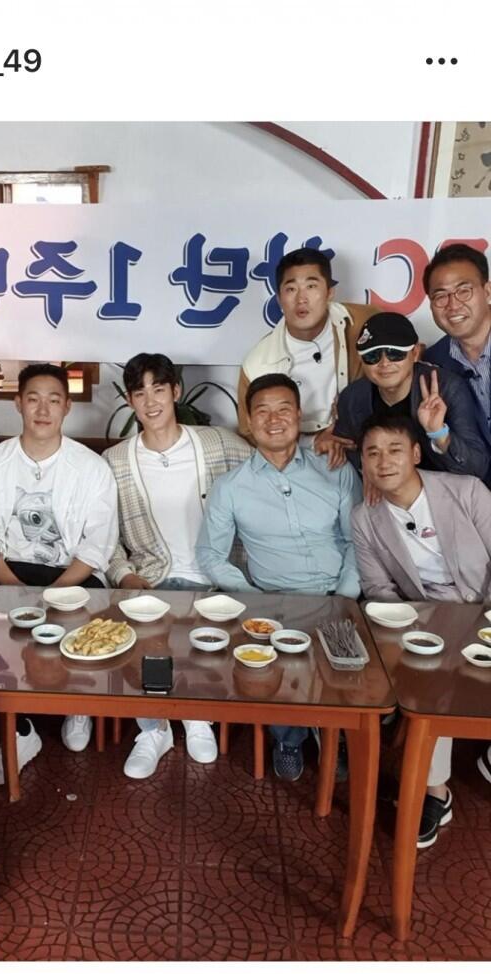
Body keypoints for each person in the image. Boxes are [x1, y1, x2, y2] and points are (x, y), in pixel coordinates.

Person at [197, 373, 361, 780]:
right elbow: (211, 554)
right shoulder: (230, 487)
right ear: (248, 421)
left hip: (337, 594)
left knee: (350, 665)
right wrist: (253, 596)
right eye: (263, 411)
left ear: (299, 415)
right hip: (273, 601)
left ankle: (333, 731)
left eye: (283, 409)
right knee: (271, 663)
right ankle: (289, 737)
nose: (274, 420)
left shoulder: (335, 469)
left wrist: (343, 598)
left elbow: (359, 540)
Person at [103, 352, 251, 778]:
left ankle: (196, 715)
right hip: (152, 580)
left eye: (159, 389)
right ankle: (155, 729)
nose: (150, 401)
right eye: (139, 393)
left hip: (217, 579)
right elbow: (103, 539)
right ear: (129, 401)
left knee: (203, 628)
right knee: (148, 628)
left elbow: (266, 474)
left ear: (176, 391)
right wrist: (124, 575)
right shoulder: (115, 462)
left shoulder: (219, 444)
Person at [0, 363, 118, 773]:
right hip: (5, 570)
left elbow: (98, 544)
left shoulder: (91, 467)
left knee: (89, 609)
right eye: (33, 399)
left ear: (67, 406)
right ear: (18, 403)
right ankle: (19, 729)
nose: (43, 409)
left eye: (54, 400)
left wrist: (52, 594)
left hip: (72, 573)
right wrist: (13, 587)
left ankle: (79, 704)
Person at [352, 412, 491, 846]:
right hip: (426, 620)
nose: (384, 461)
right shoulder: (365, 517)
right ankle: (435, 792)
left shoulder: (466, 491)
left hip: (484, 607)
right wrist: (412, 626)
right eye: (372, 453)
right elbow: (377, 588)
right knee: (434, 682)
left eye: (394, 449)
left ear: (416, 453)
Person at [237, 248, 375, 462]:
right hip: (302, 460)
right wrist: (313, 442)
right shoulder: (258, 364)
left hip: (367, 448)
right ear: (279, 298)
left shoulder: (364, 323)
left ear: (329, 292)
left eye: (311, 286)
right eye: (291, 289)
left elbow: (399, 369)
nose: (301, 299)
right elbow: (250, 433)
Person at [334, 311, 489, 481]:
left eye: (395, 354)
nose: (384, 363)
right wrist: (367, 472)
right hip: (384, 491)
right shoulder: (353, 397)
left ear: (415, 353)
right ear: (361, 360)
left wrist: (439, 433)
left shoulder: (446, 388)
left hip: (445, 488)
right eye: (372, 356)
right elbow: (346, 448)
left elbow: (477, 468)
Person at [423, 243, 491, 452]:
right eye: (441, 296)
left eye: (463, 291)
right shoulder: (431, 364)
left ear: (487, 292)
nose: (453, 305)